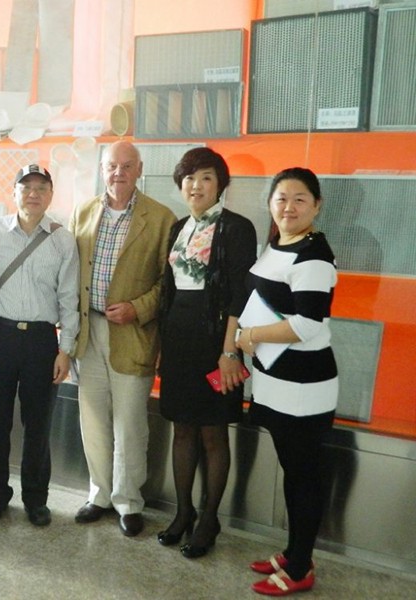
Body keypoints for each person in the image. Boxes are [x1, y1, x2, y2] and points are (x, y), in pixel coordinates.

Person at [236, 168, 338, 596]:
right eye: (281, 198)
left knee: (303, 477)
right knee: (294, 471)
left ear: (317, 205)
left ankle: (299, 570)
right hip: (276, 378)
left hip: (303, 386)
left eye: (300, 199)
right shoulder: (278, 243)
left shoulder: (313, 256)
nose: (289, 207)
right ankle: (296, 552)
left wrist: (250, 335)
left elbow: (307, 324)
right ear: (270, 203)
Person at [69, 141, 177, 537]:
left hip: (133, 333)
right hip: (89, 332)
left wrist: (138, 308)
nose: (119, 173)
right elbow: (70, 272)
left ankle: (128, 501)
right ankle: (99, 494)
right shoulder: (83, 212)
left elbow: (170, 282)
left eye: (127, 166)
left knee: (130, 423)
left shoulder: (161, 218)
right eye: (112, 166)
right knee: (93, 419)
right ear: (102, 169)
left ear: (139, 170)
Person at [156, 147, 257, 558]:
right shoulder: (179, 227)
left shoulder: (237, 228)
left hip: (217, 340)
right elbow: (169, 289)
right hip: (178, 337)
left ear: (220, 185)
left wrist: (229, 351)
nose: (196, 186)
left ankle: (210, 519)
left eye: (206, 178)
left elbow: (240, 294)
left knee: (213, 431)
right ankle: (184, 512)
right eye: (189, 178)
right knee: (182, 427)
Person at [0, 164, 80, 527]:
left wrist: (65, 349)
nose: (33, 194)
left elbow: (69, 297)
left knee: (38, 424)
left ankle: (36, 498)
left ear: (50, 195)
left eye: (40, 188)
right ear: (14, 192)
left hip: (40, 340)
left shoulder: (62, 239)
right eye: (26, 187)